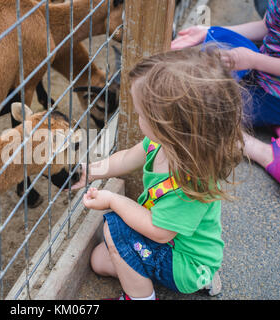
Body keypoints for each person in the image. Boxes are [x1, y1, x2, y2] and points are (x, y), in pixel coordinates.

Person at [71, 48, 245, 300]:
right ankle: (160, 274)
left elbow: (159, 231)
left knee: (115, 229)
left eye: (141, 114)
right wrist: (90, 172)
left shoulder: (190, 181)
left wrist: (113, 200)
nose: (137, 118)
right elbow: (127, 158)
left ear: (168, 125)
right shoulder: (164, 144)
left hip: (185, 262)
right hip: (172, 244)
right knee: (99, 260)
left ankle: (141, 297)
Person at [171, 0, 280, 183]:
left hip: (273, 93)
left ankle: (256, 149)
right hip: (263, 72)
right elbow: (267, 26)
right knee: (215, 40)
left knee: (197, 111)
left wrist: (253, 60)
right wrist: (209, 31)